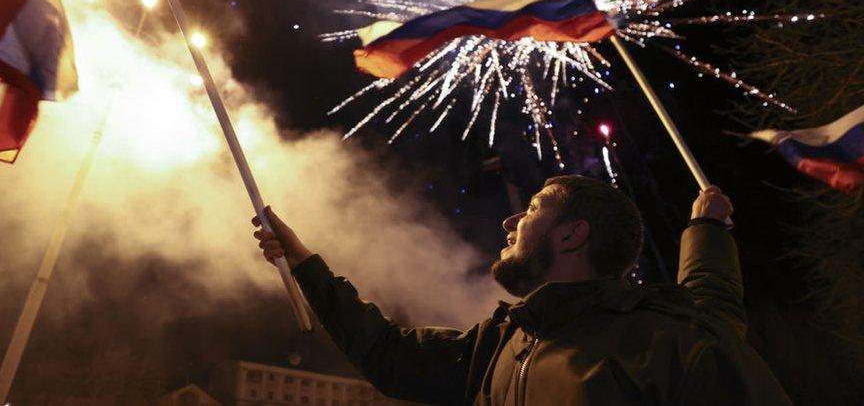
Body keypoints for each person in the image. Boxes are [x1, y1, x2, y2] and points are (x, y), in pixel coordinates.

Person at [251, 175, 792, 405]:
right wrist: (305, 264)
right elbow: (388, 355)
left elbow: (712, 301)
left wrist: (706, 231)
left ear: (573, 234)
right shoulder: (500, 345)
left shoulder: (668, 342)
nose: (511, 220)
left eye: (533, 208)